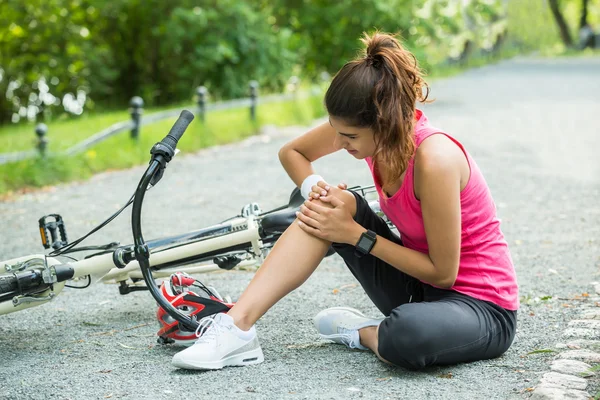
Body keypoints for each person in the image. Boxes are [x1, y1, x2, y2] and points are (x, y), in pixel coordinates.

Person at [171, 31, 519, 371]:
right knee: (328, 208)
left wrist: (356, 235)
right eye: (336, 130)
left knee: (407, 334)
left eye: (349, 137)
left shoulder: (435, 159)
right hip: (417, 290)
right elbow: (293, 152)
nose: (340, 142)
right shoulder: (361, 130)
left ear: (385, 125)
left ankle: (364, 333)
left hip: (481, 309)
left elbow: (444, 274)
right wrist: (317, 190)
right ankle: (237, 328)